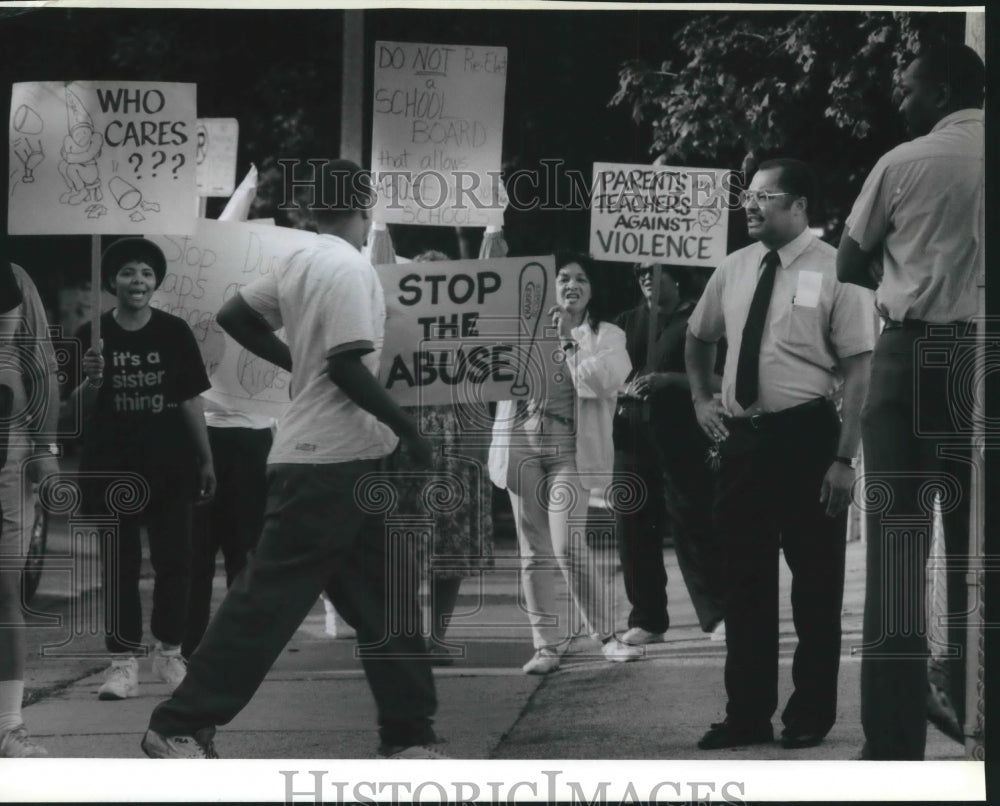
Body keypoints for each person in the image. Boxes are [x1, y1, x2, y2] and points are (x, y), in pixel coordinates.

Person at [142, 159, 443, 760]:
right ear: (366, 205)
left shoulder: (302, 259)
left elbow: (236, 317)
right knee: (269, 601)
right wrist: (409, 430)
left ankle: (410, 736)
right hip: (331, 464)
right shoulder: (352, 267)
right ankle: (180, 722)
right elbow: (346, 364)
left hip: (328, 457)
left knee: (388, 601)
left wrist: (294, 367)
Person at [686, 158, 874, 750]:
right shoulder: (735, 267)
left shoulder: (836, 269)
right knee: (743, 582)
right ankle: (746, 714)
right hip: (743, 443)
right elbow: (699, 336)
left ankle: (809, 715)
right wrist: (699, 397)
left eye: (763, 195)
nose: (749, 203)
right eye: (747, 194)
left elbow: (860, 367)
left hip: (807, 438)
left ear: (799, 206)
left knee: (815, 586)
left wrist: (845, 459)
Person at [836, 43, 984, 761]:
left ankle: (894, 741)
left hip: (907, 353)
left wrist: (908, 270)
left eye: (908, 84)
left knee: (896, 550)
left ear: (944, 89)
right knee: (980, 550)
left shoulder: (903, 162)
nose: (900, 97)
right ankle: (977, 709)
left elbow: (848, 260)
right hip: (980, 359)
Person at [71, 237, 215, 700]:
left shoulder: (174, 333)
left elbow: (191, 399)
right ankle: (122, 662)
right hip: (109, 468)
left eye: (147, 273)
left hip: (169, 465)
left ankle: (170, 653)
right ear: (111, 280)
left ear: (157, 282)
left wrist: (206, 457)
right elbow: (68, 411)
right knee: (119, 565)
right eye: (129, 272)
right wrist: (91, 380)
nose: (138, 281)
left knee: (177, 561)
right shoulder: (88, 337)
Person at [489, 252, 641, 674]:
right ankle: (546, 647)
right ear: (550, 287)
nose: (570, 285)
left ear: (592, 291)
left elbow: (606, 380)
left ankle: (607, 637)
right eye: (563, 278)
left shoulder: (606, 335)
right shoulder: (521, 331)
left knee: (566, 544)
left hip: (568, 454)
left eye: (580, 279)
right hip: (521, 445)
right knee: (533, 552)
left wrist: (568, 343)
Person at [613, 263, 726, 646]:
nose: (645, 275)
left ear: (675, 275)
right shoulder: (625, 323)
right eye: (639, 270)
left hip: (682, 437)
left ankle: (716, 614)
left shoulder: (699, 319)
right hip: (630, 439)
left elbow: (722, 380)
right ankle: (647, 618)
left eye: (653, 269)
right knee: (632, 527)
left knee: (693, 522)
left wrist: (670, 381)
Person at [393, 249, 495, 665]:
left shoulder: (471, 330)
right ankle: (410, 635)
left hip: (459, 449)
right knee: (405, 548)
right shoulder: (396, 333)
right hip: (407, 449)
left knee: (450, 551)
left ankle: (437, 636)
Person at [0, 256, 59, 757]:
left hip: (7, 456)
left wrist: (44, 448)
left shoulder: (14, 276)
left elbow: (39, 363)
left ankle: (7, 727)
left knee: (3, 590)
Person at [182, 397, 274, 660]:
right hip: (230, 429)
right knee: (236, 553)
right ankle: (231, 644)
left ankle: (197, 645)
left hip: (227, 428)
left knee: (210, 553)